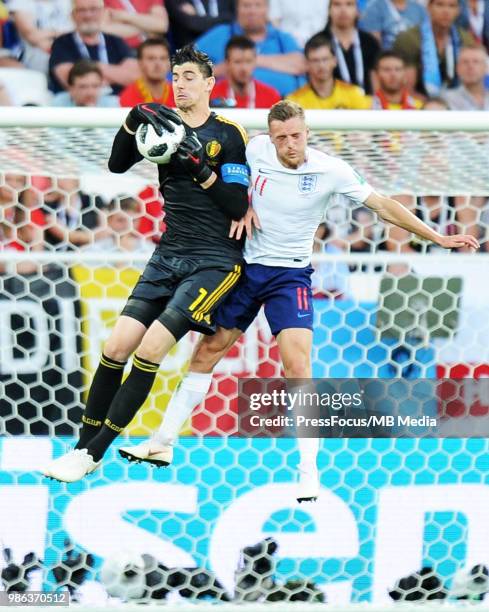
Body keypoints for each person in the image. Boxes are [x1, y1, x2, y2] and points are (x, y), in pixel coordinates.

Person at [118, 99, 479, 503]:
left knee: (297, 364)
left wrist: (437, 237)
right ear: (270, 138)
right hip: (246, 268)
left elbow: (383, 207)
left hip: (290, 276)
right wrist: (238, 209)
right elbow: (221, 183)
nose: (289, 144)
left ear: (307, 133)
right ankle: (162, 441)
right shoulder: (254, 150)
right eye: (281, 138)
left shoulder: (331, 170)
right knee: (208, 351)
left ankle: (309, 472)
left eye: (295, 136)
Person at [42, 45, 249, 482]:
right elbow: (118, 165)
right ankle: (83, 448)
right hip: (167, 255)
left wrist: (201, 168)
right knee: (115, 346)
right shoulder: (163, 128)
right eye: (176, 76)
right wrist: (132, 119)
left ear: (210, 83)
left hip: (215, 262)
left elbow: (236, 204)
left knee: (151, 349)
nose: (180, 83)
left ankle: (94, 451)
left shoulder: (228, 134)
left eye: (190, 76)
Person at [196, 0, 306, 97]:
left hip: (283, 109)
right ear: (237, 9)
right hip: (227, 107)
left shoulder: (281, 38)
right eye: (246, 5)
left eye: (258, 5)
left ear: (267, 9)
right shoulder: (220, 34)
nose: (252, 11)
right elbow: (185, 66)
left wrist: (250, 60)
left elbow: (302, 64)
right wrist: (217, 70)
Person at [49, 0, 139, 94]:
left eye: (94, 9)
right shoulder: (62, 42)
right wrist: (117, 73)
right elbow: (70, 80)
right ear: (73, 15)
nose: (88, 15)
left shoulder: (115, 40)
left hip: (117, 104)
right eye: (81, 10)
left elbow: (134, 77)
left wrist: (91, 67)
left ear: (103, 13)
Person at [392, 0, 475, 97]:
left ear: (458, 10)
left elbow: (473, 82)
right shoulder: (409, 39)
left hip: (458, 102)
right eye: (440, 5)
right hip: (420, 102)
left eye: (452, 6)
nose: (446, 11)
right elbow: (407, 88)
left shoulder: (465, 39)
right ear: (428, 8)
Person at [287, 33, 371, 109]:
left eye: (325, 59)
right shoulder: (294, 101)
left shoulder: (353, 94)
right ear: (306, 64)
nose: (321, 65)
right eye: (315, 60)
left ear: (334, 61)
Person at [321, 0, 381, 95]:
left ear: (358, 11)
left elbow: (377, 82)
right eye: (337, 4)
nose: (343, 10)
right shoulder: (318, 43)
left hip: (367, 105)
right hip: (331, 106)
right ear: (329, 10)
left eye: (349, 4)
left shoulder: (370, 43)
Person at [210, 35, 281, 108]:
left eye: (248, 61)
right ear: (227, 63)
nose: (244, 68)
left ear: (255, 62)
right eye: (237, 62)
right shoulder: (211, 96)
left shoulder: (271, 96)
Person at [8, 0, 73, 73]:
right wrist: (58, 34)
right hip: (36, 57)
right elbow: (31, 35)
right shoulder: (20, 3)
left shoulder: (65, 2)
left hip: (69, 50)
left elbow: (77, 30)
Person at [119, 37, 174, 106]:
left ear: (169, 63)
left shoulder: (179, 94)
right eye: (151, 58)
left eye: (163, 58)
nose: (157, 64)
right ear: (140, 63)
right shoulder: (128, 96)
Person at [166, 0, 236, 50]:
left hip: (224, 50)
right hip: (191, 56)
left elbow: (234, 18)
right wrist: (222, 19)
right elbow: (192, 24)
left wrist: (198, 18)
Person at [359, 0, 427, 50]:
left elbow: (426, 39)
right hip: (388, 61)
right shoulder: (374, 7)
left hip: (414, 61)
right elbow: (373, 44)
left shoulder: (419, 8)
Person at [102, 0, 169, 50]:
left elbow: (162, 25)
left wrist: (123, 15)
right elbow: (104, 29)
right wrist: (148, 25)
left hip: (152, 50)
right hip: (124, 52)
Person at [51, 59, 120, 106]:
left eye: (95, 86)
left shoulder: (112, 104)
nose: (90, 92)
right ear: (71, 88)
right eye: (83, 87)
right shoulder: (58, 103)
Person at [442, 44, 489, 109]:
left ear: (486, 68)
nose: (470, 66)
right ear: (457, 68)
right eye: (465, 62)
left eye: (476, 62)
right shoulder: (445, 100)